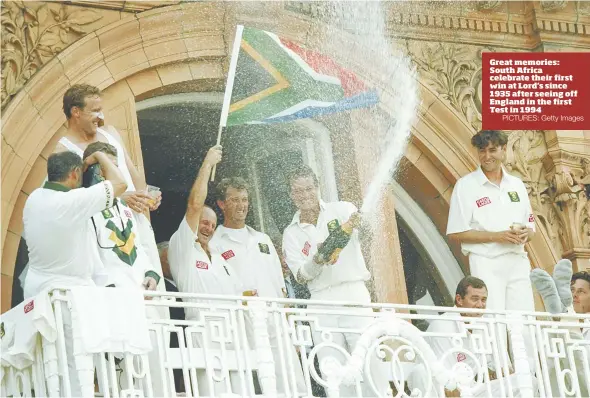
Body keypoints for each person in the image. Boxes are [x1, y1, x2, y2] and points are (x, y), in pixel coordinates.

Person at [22, 150, 127, 395]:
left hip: (38, 295)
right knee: (76, 369)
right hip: (69, 300)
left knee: (49, 368)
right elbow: (120, 184)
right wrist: (100, 155)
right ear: (75, 173)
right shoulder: (74, 201)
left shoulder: (35, 198)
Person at [53, 84, 166, 306]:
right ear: (76, 112)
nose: (100, 117)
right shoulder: (62, 152)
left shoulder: (111, 133)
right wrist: (116, 199)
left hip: (135, 226)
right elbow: (69, 203)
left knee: (153, 297)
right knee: (119, 303)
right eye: (94, 111)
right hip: (101, 235)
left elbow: (132, 173)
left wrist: (146, 196)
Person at [281, 165, 389, 397]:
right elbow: (300, 276)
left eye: (309, 188)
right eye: (298, 191)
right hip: (320, 300)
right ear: (291, 195)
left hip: (353, 292)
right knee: (333, 367)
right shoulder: (291, 233)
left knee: (369, 356)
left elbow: (367, 235)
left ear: (318, 187)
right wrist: (318, 259)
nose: (305, 195)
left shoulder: (342, 210)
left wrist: (364, 223)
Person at [209, 176, 306, 396]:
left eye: (244, 199)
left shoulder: (262, 239)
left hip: (275, 318)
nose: (241, 205)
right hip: (242, 322)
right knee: (253, 381)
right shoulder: (215, 243)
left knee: (292, 379)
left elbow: (280, 286)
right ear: (222, 204)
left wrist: (291, 327)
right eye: (234, 200)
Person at [446, 130, 536, 366]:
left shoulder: (516, 184)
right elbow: (456, 231)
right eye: (482, 151)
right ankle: (497, 375)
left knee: (524, 322)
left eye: (493, 149)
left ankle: (530, 376)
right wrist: (497, 236)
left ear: (503, 150)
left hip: (517, 260)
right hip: (486, 261)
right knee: (491, 322)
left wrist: (528, 233)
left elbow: (531, 225)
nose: (487, 156)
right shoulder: (465, 186)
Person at [168, 146, 246, 396]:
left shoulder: (221, 258)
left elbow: (240, 296)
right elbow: (194, 204)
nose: (208, 228)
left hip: (233, 334)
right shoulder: (183, 248)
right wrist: (208, 163)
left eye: (212, 225)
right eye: (203, 222)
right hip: (202, 333)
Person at [412, 276, 530, 397]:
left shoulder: (485, 325)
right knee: (421, 371)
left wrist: (497, 372)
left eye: (483, 300)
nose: (480, 305)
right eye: (475, 299)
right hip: (443, 390)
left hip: (473, 390)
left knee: (527, 381)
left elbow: (496, 369)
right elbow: (446, 382)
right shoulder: (442, 326)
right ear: (459, 300)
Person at [81, 142, 160, 292]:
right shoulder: (86, 208)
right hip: (110, 297)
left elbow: (138, 247)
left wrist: (150, 274)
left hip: (140, 295)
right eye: (108, 166)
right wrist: (107, 288)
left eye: (116, 166)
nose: (114, 171)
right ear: (95, 170)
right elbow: (89, 258)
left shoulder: (124, 207)